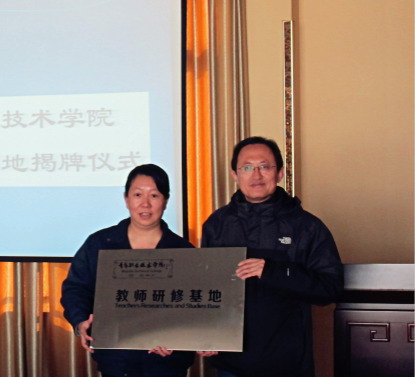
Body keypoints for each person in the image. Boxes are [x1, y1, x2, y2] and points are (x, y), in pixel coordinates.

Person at [200, 137, 343, 377]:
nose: (256, 175)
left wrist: (273, 272)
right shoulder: (217, 224)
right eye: (247, 167)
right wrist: (202, 334)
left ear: (279, 173)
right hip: (229, 364)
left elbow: (330, 288)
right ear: (235, 174)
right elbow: (205, 288)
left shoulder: (306, 226)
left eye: (264, 166)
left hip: (287, 363)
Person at [61, 164, 195, 377]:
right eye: (137, 194)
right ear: (126, 199)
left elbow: (195, 308)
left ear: (166, 200)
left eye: (154, 195)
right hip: (116, 361)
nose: (145, 203)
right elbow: (75, 289)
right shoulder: (100, 243)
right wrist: (80, 320)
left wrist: (179, 340)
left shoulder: (184, 251)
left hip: (167, 364)